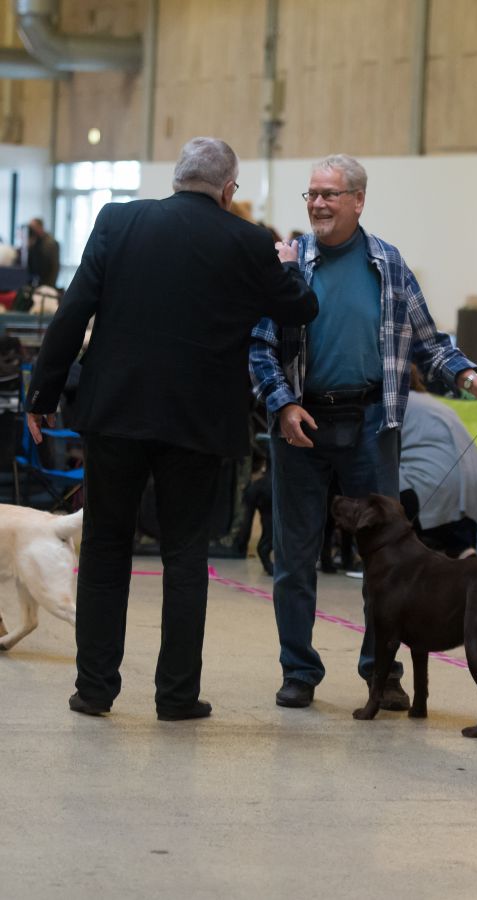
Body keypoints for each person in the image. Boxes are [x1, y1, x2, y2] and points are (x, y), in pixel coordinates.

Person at [26, 136, 318, 721]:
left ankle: (95, 690)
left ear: (178, 176)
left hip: (117, 414)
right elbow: (299, 309)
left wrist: (43, 393)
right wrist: (287, 268)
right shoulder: (250, 242)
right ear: (228, 190)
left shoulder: (118, 221)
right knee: (185, 558)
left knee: (106, 550)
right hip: (198, 424)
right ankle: (177, 696)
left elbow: (72, 310)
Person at [249, 153, 477, 710]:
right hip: (301, 424)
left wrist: (471, 379)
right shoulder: (289, 264)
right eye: (312, 194)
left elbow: (428, 340)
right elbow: (260, 347)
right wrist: (283, 406)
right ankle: (298, 670)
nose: (318, 203)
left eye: (330, 194)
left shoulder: (387, 263)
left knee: (390, 560)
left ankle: (380, 672)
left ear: (358, 201)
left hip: (373, 423)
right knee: (294, 556)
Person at [399, 365, 477, 558]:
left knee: (385, 486)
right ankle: (462, 550)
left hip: (433, 485)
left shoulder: (396, 404)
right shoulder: (433, 402)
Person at [26, 218, 60, 287]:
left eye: (32, 227)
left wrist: (50, 285)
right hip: (37, 281)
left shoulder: (50, 243)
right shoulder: (35, 241)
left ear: (39, 227)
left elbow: (53, 266)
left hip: (47, 282)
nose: (31, 230)